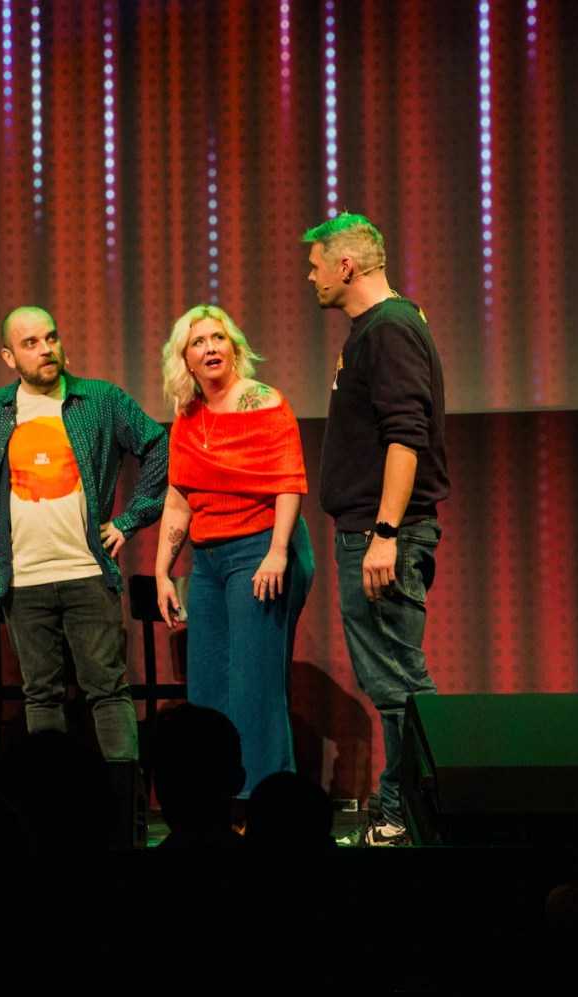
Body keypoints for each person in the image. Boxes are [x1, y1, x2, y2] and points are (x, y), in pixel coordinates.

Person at [0, 305, 167, 759]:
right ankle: (51, 812)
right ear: (8, 357)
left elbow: (159, 445)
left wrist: (128, 520)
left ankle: (123, 812)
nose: (46, 350)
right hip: (23, 577)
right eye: (31, 343)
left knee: (107, 689)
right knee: (40, 696)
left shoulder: (100, 399)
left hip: (87, 571)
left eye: (51, 338)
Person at [303, 213, 449, 846]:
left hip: (382, 533)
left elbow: (405, 437)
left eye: (315, 265)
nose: (309, 277)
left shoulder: (388, 329)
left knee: (400, 686)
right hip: (370, 530)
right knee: (394, 684)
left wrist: (385, 532)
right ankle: (406, 813)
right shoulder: (381, 327)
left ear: (346, 266)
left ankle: (411, 817)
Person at [153, 305, 314, 794]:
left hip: (261, 547)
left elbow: (289, 482)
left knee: (254, 687)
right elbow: (179, 502)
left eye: (218, 338)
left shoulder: (263, 402)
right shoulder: (188, 416)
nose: (210, 348)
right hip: (208, 558)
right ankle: (214, 799)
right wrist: (163, 571)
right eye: (199, 342)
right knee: (208, 687)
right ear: (186, 359)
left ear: (235, 348)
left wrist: (277, 552)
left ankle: (262, 803)